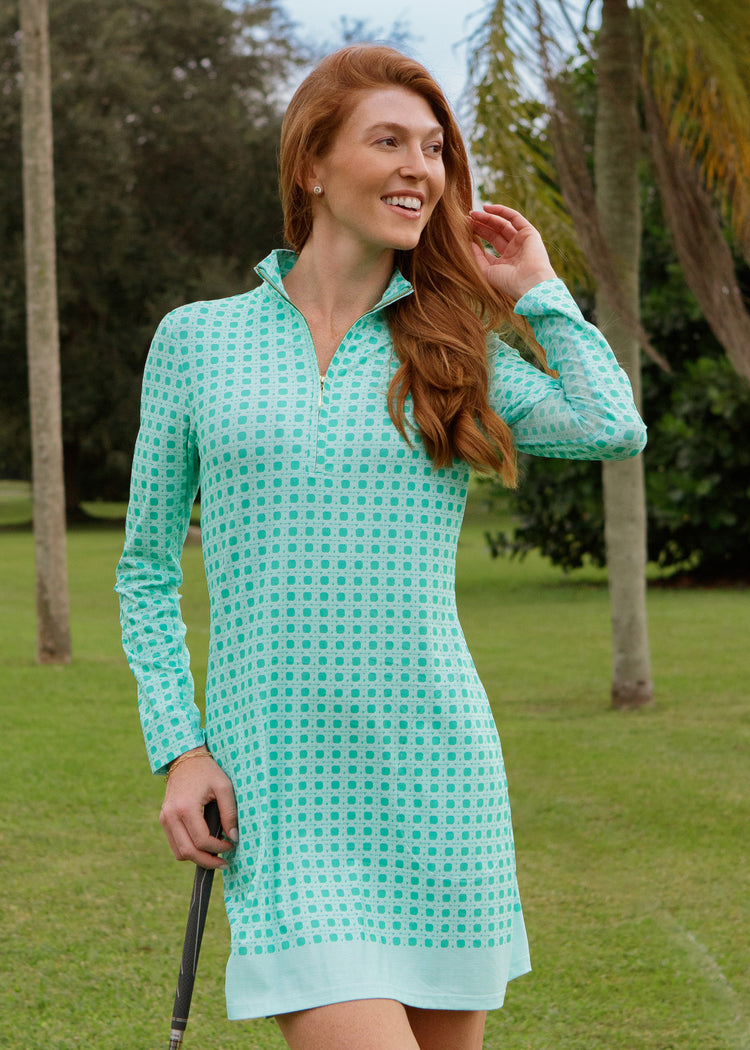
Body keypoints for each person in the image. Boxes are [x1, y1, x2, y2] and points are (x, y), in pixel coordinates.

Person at [116, 44, 646, 1050]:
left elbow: (609, 426)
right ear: (312, 163)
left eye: (435, 149)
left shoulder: (453, 351)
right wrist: (179, 749)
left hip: (437, 780)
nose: (420, 168)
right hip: (280, 792)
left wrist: (536, 290)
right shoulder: (196, 342)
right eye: (389, 141)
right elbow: (144, 571)